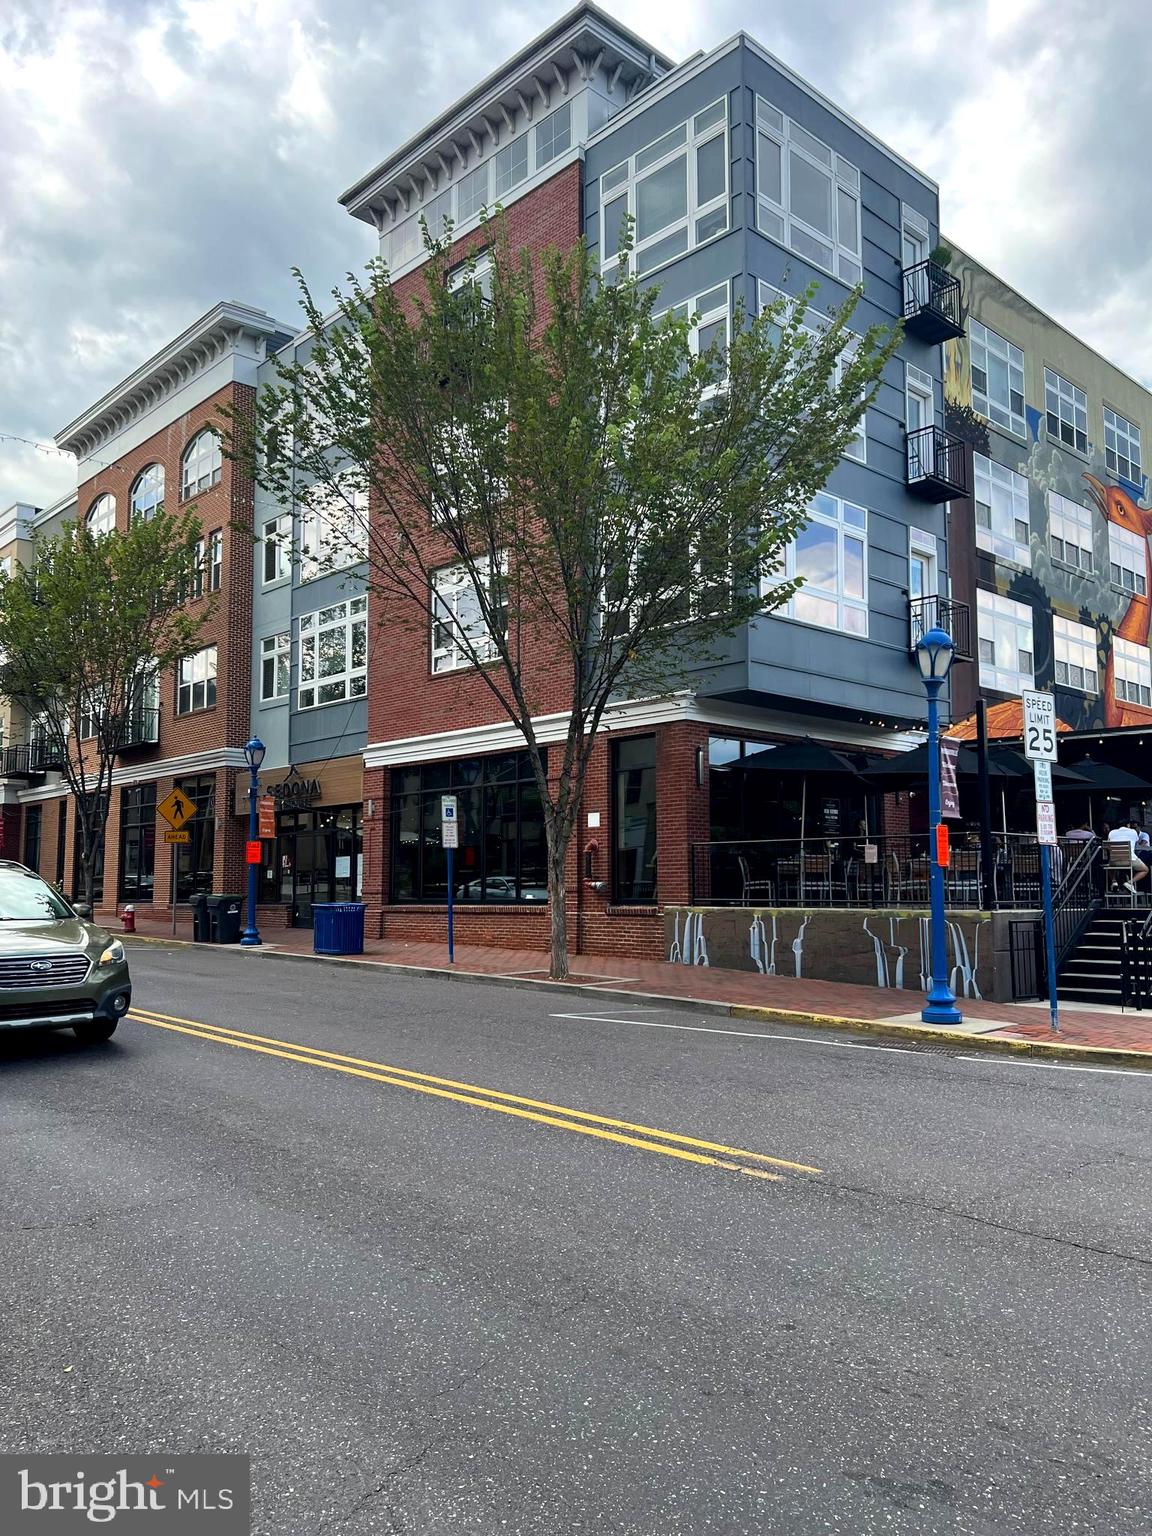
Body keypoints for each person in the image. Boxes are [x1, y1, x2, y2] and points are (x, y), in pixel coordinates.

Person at [1107, 820, 1149, 896]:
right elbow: (1136, 843)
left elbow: (1109, 845)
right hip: (1130, 860)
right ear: (1128, 825)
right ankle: (1129, 883)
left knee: (1110, 866)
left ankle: (1114, 882)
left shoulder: (1111, 832)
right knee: (1145, 869)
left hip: (1114, 861)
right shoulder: (1133, 832)